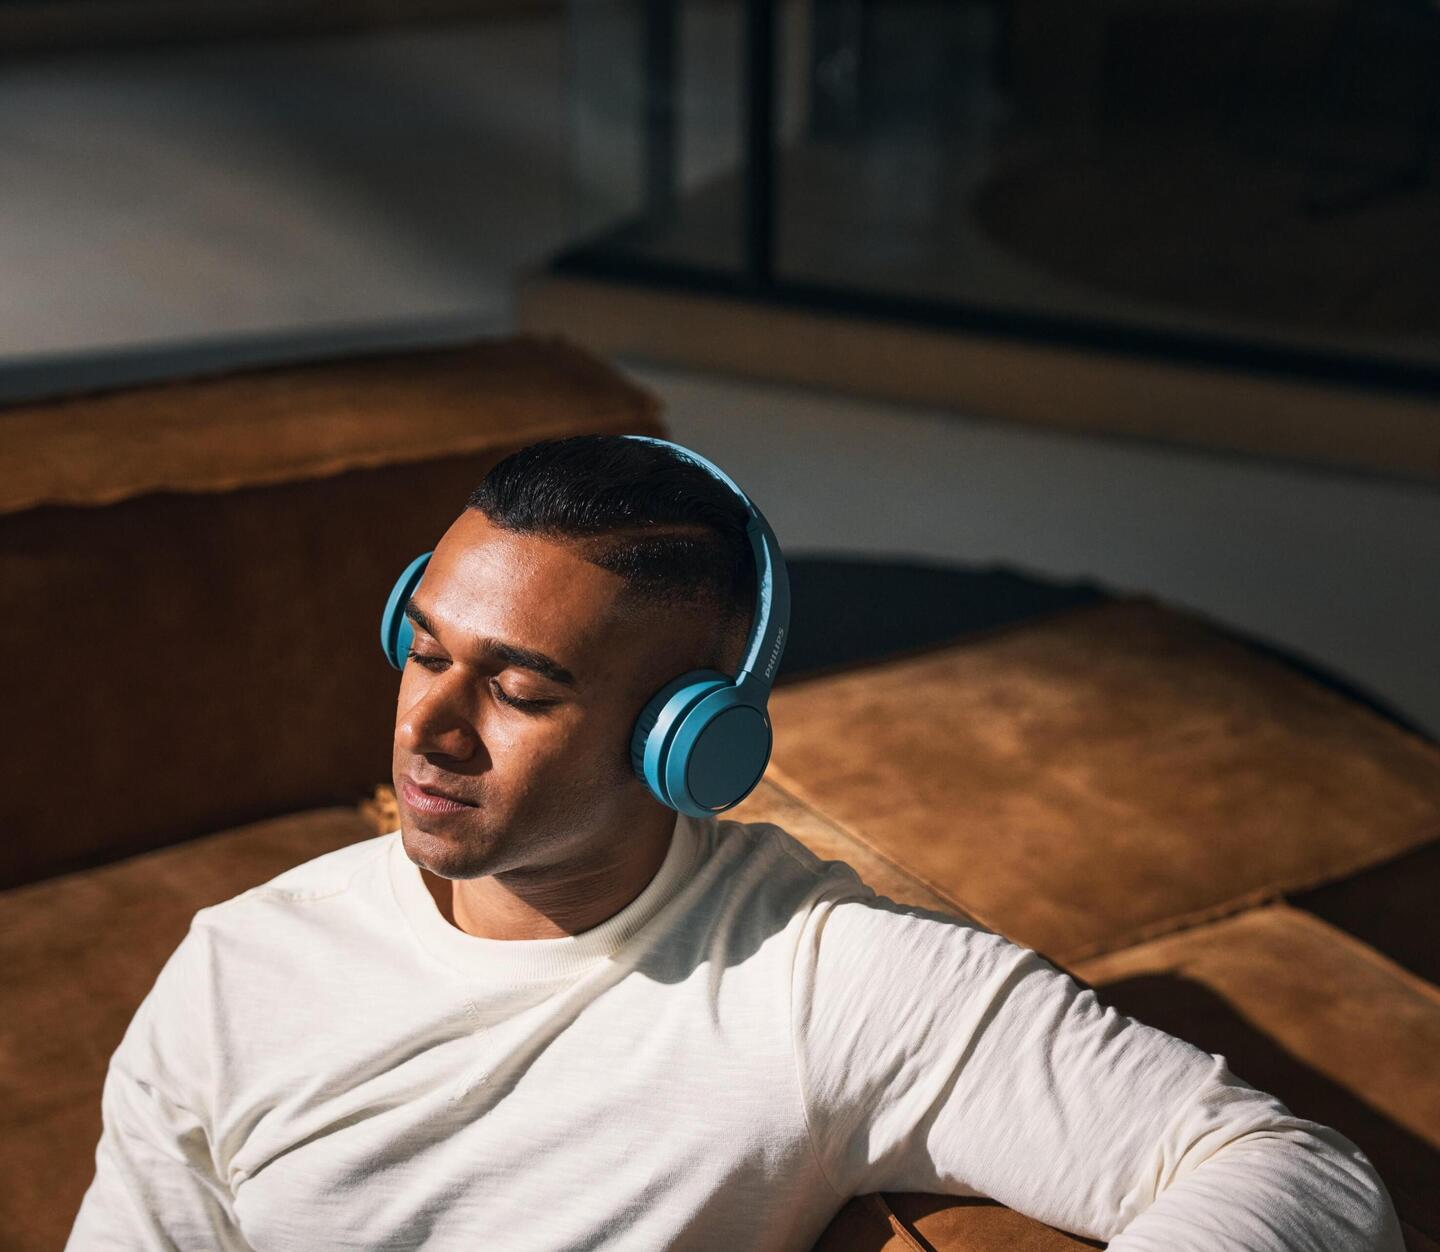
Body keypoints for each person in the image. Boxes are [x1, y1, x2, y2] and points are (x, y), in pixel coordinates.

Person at [66, 435, 1403, 1251]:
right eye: (424, 652)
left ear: (690, 743)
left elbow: (1298, 1176)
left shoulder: (826, 981)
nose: (435, 725)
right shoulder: (243, 965)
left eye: (522, 690)